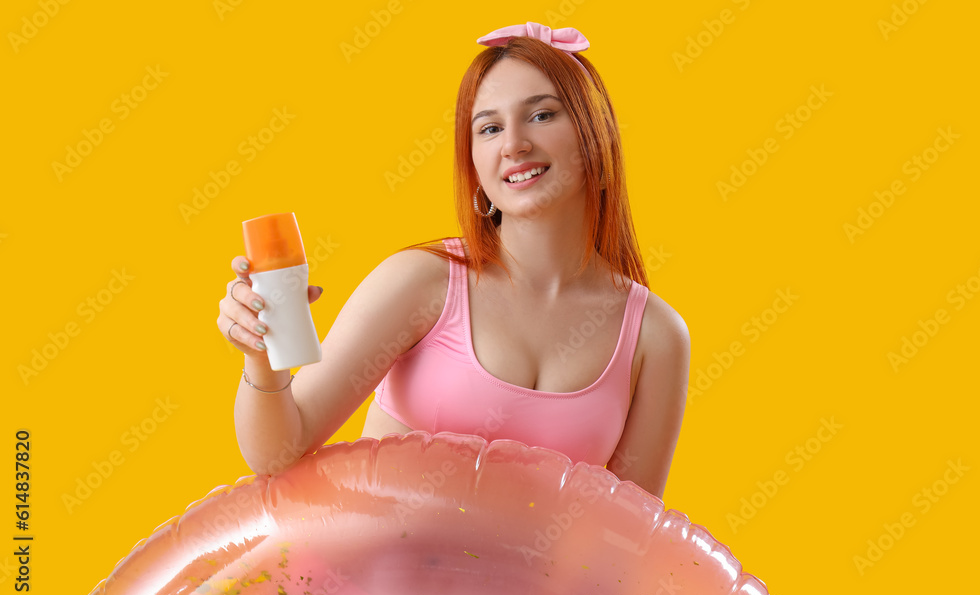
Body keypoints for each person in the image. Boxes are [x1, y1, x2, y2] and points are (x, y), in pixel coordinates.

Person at [217, 22, 690, 498]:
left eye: (542, 116)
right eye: (489, 128)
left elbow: (632, 537)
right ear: (475, 168)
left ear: (597, 137)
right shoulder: (423, 283)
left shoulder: (656, 335)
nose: (514, 144)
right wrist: (262, 360)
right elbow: (277, 452)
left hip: (528, 578)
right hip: (370, 573)